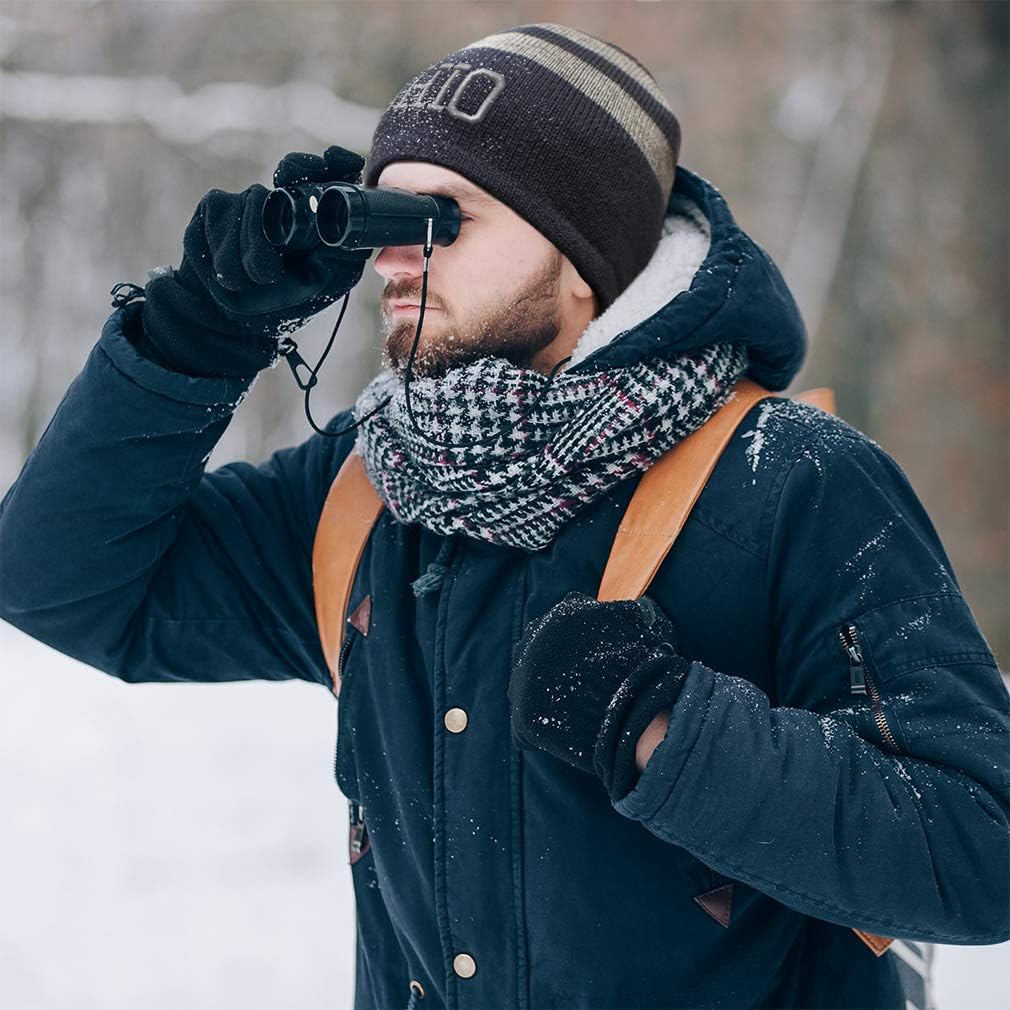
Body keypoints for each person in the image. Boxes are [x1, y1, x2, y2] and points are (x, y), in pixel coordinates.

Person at [1, 21, 1006, 1010]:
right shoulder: (371, 487)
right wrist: (197, 327)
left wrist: (668, 731)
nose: (397, 257)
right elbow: (61, 582)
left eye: (443, 218)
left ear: (582, 252)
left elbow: (978, 844)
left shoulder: (791, 480)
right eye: (382, 219)